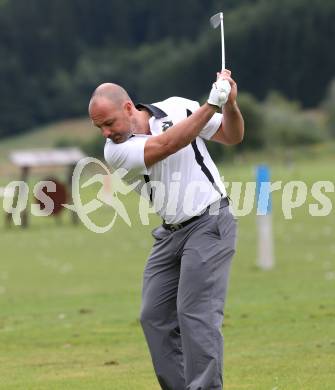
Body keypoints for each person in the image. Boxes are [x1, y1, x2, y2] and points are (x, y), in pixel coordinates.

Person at [88, 70, 244, 390]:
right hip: (170, 234)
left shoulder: (178, 107)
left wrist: (228, 104)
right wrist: (210, 104)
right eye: (99, 127)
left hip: (210, 221)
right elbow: (169, 144)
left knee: (194, 314)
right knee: (153, 316)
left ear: (128, 108)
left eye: (109, 123)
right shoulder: (115, 151)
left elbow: (232, 136)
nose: (105, 133)